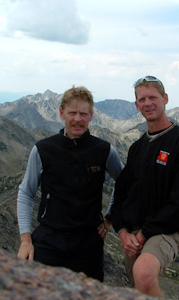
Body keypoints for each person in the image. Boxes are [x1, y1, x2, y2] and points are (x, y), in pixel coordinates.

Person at [17, 85, 124, 282]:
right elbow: (26, 192)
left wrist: (110, 218)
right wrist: (25, 239)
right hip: (49, 238)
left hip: (88, 242)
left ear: (91, 115)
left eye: (83, 114)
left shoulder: (104, 150)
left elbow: (125, 183)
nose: (77, 119)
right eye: (72, 113)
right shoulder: (43, 149)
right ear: (61, 113)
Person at [111, 75, 179, 298]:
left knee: (143, 274)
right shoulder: (137, 148)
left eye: (153, 97)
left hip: (167, 229)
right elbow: (121, 193)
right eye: (142, 99)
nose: (147, 103)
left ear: (165, 99)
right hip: (134, 233)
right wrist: (122, 232)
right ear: (136, 105)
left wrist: (143, 235)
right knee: (141, 291)